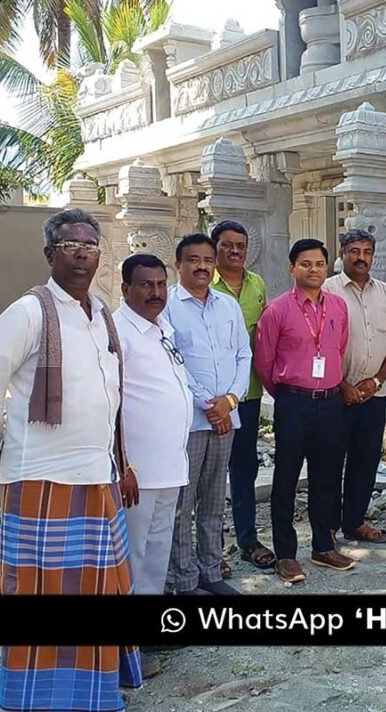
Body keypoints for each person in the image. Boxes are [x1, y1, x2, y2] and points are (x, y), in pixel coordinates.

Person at [0, 209, 142, 711]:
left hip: (97, 478)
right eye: (69, 245)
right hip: (42, 480)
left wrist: (119, 462)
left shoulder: (101, 313)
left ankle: (94, 695)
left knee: (98, 592)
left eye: (90, 244)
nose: (82, 253)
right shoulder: (27, 312)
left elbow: (110, 399)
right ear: (49, 255)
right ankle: (33, 701)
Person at [255, 239, 353, 584]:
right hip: (293, 402)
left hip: (330, 402)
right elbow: (264, 362)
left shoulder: (338, 307)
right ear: (292, 269)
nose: (314, 270)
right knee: (286, 477)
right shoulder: (278, 310)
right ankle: (285, 553)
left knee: (327, 476)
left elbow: (338, 349)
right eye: (306, 264)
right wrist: (287, 394)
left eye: (320, 264)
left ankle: (324, 545)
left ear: (328, 268)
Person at [163, 234, 251, 595]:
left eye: (207, 260)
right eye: (193, 260)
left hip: (226, 419)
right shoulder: (167, 306)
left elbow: (244, 354)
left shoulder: (227, 306)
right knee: (183, 506)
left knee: (215, 500)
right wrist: (208, 404)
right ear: (178, 265)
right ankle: (184, 580)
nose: (201, 266)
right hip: (189, 421)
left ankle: (211, 572)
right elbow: (173, 362)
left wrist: (229, 401)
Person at [114, 254, 193, 597]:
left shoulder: (162, 327)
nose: (155, 292)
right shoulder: (117, 333)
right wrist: (122, 466)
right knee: (133, 550)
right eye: (146, 284)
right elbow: (109, 405)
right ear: (125, 288)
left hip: (170, 464)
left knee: (158, 546)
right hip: (137, 471)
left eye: (161, 284)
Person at [323, 229, 386, 544]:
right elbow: (318, 345)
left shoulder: (384, 291)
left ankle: (355, 522)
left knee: (366, 459)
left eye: (367, 251)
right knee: (330, 460)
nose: (361, 257)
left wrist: (377, 380)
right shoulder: (328, 290)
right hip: (335, 395)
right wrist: (343, 384)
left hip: (375, 394)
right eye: (354, 251)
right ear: (342, 253)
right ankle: (327, 526)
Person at [210, 220, 276, 571]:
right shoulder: (205, 285)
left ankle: (248, 540)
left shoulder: (257, 284)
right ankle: (212, 550)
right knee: (210, 474)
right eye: (227, 245)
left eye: (241, 245)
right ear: (214, 248)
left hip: (247, 394)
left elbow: (261, 338)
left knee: (244, 469)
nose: (235, 251)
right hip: (210, 401)